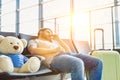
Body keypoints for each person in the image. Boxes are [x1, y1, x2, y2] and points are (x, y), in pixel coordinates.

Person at [28, 28, 103, 80]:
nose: (50, 34)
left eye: (51, 32)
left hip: (69, 55)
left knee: (97, 62)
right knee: (77, 63)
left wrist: (58, 40)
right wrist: (53, 50)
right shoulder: (35, 41)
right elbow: (33, 50)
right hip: (55, 59)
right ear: (41, 32)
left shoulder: (54, 42)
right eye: (48, 32)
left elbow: (68, 51)